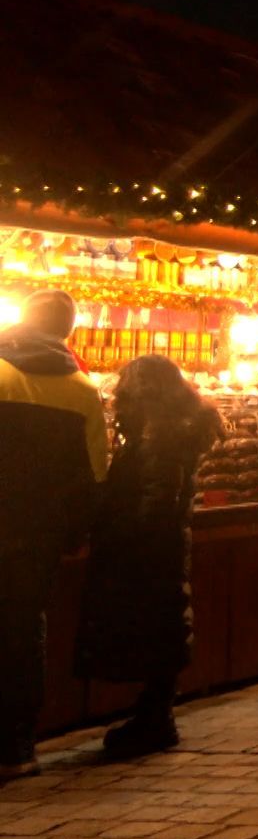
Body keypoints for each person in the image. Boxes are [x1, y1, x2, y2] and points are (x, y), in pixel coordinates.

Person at [72, 355, 222, 758]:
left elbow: (155, 498)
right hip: (163, 547)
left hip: (146, 550)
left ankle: (155, 719)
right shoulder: (172, 430)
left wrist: (119, 532)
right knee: (163, 626)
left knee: (154, 627)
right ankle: (154, 715)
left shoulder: (160, 437)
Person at [0, 290, 108, 779]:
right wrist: (76, 534)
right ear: (68, 333)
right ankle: (16, 747)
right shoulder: (84, 391)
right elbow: (94, 475)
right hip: (36, 534)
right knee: (23, 633)